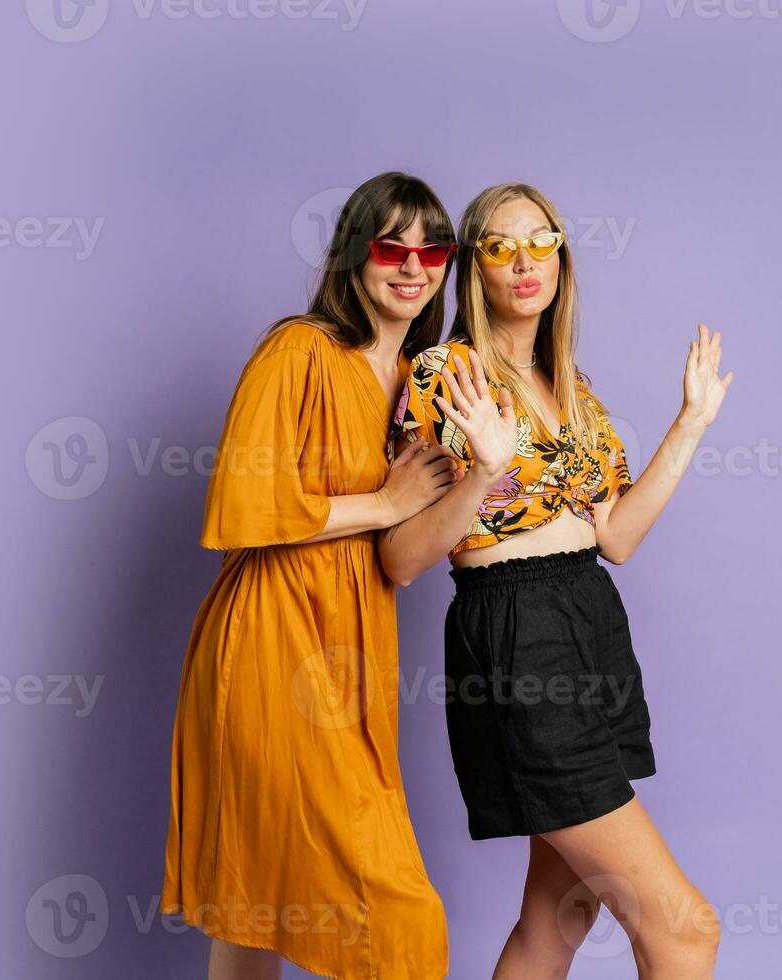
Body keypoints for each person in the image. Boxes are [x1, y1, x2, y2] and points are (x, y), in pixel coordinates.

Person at [382, 182, 734, 979]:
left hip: (590, 623)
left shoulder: (571, 385)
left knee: (555, 922)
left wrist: (690, 424)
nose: (524, 261)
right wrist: (485, 473)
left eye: (540, 241)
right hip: (519, 637)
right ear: (477, 266)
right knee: (686, 929)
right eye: (501, 247)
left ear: (562, 255)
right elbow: (399, 560)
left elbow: (617, 536)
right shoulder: (448, 374)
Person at [162, 172, 460, 980]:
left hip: (354, 642)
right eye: (391, 246)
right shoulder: (301, 349)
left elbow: (405, 550)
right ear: (353, 256)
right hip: (269, 638)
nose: (412, 266)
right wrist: (386, 496)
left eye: (432, 249)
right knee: (372, 901)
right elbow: (246, 503)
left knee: (258, 905)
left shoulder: (423, 386)